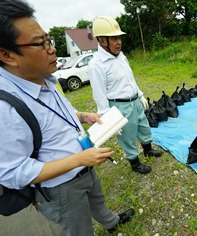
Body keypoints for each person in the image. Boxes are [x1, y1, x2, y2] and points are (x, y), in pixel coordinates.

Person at [0, 1, 134, 235]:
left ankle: (111, 222)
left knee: (98, 201)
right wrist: (79, 160)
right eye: (40, 44)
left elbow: (55, 116)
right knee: (79, 228)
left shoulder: (44, 78)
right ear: (7, 55)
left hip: (85, 166)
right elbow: (13, 173)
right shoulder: (5, 107)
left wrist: (83, 116)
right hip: (60, 187)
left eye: (48, 40)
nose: (52, 49)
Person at [88, 16, 162, 175]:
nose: (119, 42)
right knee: (127, 135)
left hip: (134, 100)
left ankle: (148, 150)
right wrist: (109, 121)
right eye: (114, 38)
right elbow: (99, 95)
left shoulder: (121, 56)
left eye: (119, 38)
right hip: (119, 106)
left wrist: (140, 95)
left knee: (143, 126)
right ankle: (135, 163)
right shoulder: (96, 65)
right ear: (102, 41)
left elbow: (130, 79)